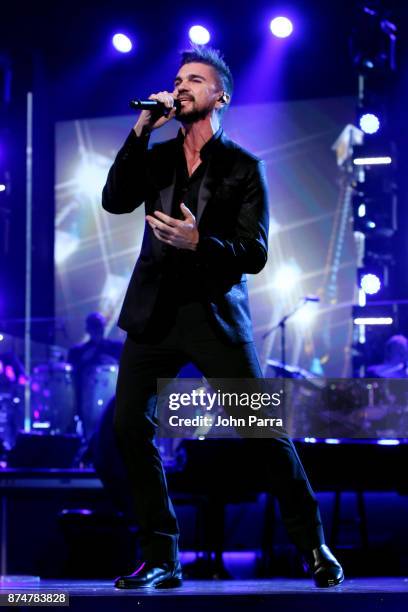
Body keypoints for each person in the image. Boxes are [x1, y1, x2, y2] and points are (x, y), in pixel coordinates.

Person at [102, 45, 344, 589]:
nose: (181, 86)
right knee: (128, 428)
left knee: (263, 432)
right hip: (154, 314)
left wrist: (198, 242)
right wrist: (141, 127)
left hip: (213, 316)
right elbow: (115, 200)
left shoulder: (243, 166)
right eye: (178, 79)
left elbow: (253, 252)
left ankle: (314, 545)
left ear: (220, 96)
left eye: (195, 80)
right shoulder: (157, 154)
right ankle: (162, 557)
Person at [67, 312, 122, 437]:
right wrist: (83, 361)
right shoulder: (77, 351)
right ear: (87, 329)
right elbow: (71, 375)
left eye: (99, 325)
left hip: (113, 397)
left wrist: (112, 362)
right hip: (85, 400)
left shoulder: (116, 348)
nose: (97, 329)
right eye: (94, 326)